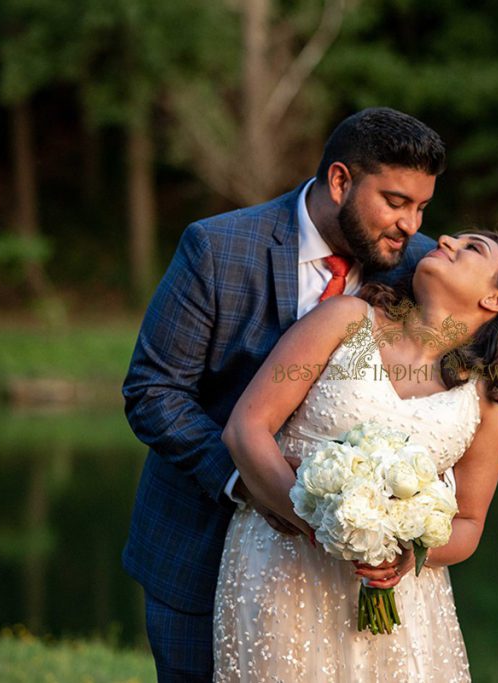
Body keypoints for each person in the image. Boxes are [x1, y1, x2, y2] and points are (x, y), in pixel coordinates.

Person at [122, 107, 447, 682]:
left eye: (421, 207)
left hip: (339, 586)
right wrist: (248, 478)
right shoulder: (217, 249)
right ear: (341, 180)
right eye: (396, 202)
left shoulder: (417, 268)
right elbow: (153, 390)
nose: (409, 224)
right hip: (201, 542)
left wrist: (406, 513)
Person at [213, 230, 498, 681]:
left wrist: (409, 556)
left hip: (400, 599)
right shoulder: (346, 320)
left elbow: (468, 524)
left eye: (472, 248)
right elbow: (245, 429)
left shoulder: (485, 401)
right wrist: (326, 525)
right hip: (283, 569)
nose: (445, 239)